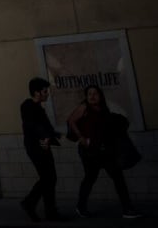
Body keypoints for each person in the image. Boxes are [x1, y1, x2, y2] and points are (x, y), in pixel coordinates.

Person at [66, 84, 143, 219]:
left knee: (118, 178)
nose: (92, 96)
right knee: (90, 179)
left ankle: (127, 209)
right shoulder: (84, 107)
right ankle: (81, 207)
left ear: (100, 96)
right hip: (90, 152)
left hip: (105, 151)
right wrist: (81, 138)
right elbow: (71, 121)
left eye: (95, 93)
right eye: (89, 94)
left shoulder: (103, 109)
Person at [20, 77, 64, 222]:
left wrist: (53, 135)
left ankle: (46, 209)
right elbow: (33, 125)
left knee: (49, 178)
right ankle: (31, 203)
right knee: (48, 178)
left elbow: (45, 127)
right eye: (45, 91)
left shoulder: (38, 107)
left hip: (42, 146)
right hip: (35, 147)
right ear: (37, 92)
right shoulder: (27, 106)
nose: (47, 94)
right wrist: (45, 137)